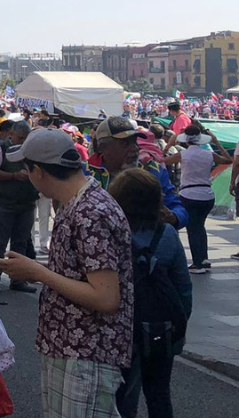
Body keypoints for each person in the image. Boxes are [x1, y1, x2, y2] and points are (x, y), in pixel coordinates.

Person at [0, 129, 133, 418]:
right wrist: (37, 271)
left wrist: (38, 272)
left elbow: (106, 297)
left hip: (86, 353)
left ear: (39, 172)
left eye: (26, 168)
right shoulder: (79, 205)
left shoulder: (89, 213)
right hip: (71, 348)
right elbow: (85, 276)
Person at [109, 168, 192, 418]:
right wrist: (179, 323)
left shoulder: (113, 233)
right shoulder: (167, 234)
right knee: (159, 394)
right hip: (161, 328)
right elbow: (183, 286)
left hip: (123, 328)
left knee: (121, 393)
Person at [89, 116, 186, 228]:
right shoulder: (84, 173)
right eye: (125, 144)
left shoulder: (153, 170)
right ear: (102, 147)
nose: (135, 148)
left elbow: (178, 208)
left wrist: (174, 217)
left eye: (135, 142)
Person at [163, 123, 231, 273]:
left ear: (186, 139)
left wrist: (168, 146)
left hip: (189, 194)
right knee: (200, 226)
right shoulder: (209, 154)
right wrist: (216, 142)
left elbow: (162, 161)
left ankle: (197, 263)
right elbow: (228, 160)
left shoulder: (183, 154)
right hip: (207, 194)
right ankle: (204, 258)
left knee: (192, 228)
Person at [0, 121, 40, 294]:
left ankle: (18, 280)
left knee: (20, 243)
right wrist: (14, 175)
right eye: (20, 138)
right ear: (12, 135)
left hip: (26, 203)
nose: (22, 142)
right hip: (3, 203)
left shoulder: (31, 152)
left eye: (26, 139)